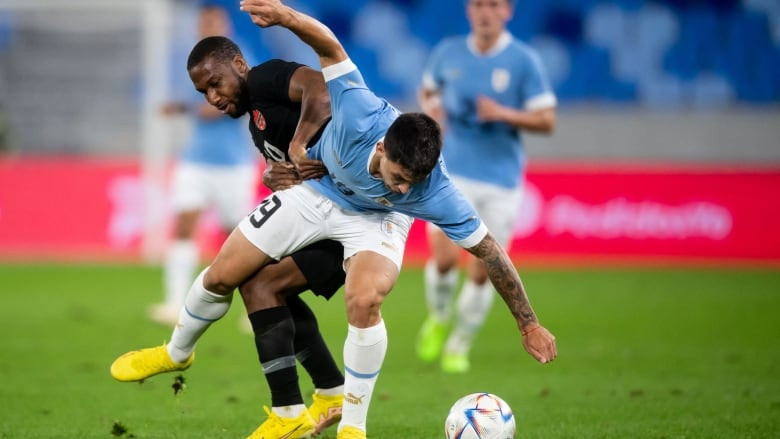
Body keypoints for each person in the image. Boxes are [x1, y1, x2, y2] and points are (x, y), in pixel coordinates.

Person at [112, 1, 558, 438]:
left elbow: (490, 251)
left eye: (412, 184)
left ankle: (352, 428)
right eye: (398, 177)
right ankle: (178, 352)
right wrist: (285, 17)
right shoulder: (360, 113)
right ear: (381, 149)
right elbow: (329, 46)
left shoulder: (429, 191)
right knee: (225, 275)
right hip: (319, 197)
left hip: (377, 220)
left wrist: (528, 323)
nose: (404, 189)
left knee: (364, 301)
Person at [113, 33, 349, 439]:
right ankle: (328, 395)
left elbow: (321, 88)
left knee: (236, 278)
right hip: (327, 215)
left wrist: (298, 143)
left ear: (239, 65)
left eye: (215, 83)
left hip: (350, 218)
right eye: (203, 91)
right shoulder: (256, 117)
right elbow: (295, 172)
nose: (213, 97)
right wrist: (274, 175)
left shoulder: (267, 77)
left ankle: (182, 354)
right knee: (267, 287)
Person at [416, 0, 557, 373]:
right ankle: (439, 316)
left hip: (501, 182)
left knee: (483, 270)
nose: (485, 12)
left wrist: (504, 113)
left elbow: (546, 119)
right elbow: (428, 92)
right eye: (478, 4)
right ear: (469, 10)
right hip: (452, 174)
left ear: (507, 11)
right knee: (444, 261)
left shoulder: (523, 60)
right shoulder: (447, 53)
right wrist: (432, 113)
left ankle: (459, 344)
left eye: (493, 5)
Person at [151, 3, 258, 325]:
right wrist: (178, 106)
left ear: (225, 25)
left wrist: (186, 109)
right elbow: (188, 102)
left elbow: (230, 105)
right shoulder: (192, 61)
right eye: (204, 21)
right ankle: (173, 304)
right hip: (195, 159)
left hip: (234, 163)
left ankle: (255, 308)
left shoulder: (241, 56)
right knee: (184, 225)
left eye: (214, 20)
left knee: (240, 238)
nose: (208, 25)